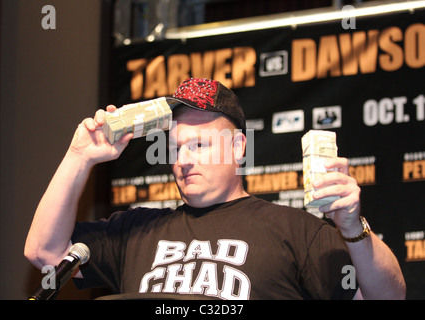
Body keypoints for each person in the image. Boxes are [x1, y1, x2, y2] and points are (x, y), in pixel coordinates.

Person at [25, 78, 406, 300]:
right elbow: (44, 252)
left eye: (200, 145)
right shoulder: (135, 230)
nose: (183, 160)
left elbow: (389, 297)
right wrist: (79, 157)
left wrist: (354, 229)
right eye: (175, 148)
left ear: (239, 148)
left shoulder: (296, 231)